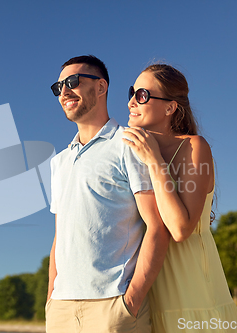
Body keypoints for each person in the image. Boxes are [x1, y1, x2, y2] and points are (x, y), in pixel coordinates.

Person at [46, 55, 170, 333]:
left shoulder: (130, 144)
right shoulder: (59, 162)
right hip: (61, 309)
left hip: (113, 307)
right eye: (58, 87)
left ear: (101, 87)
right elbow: (60, 236)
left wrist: (131, 300)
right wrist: (50, 299)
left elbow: (157, 225)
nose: (64, 91)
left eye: (73, 82)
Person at [122, 63, 237, 332]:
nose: (132, 101)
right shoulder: (130, 155)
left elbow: (180, 228)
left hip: (194, 292)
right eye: (132, 92)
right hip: (150, 296)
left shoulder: (194, 147)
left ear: (170, 107)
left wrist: (153, 160)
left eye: (142, 95)